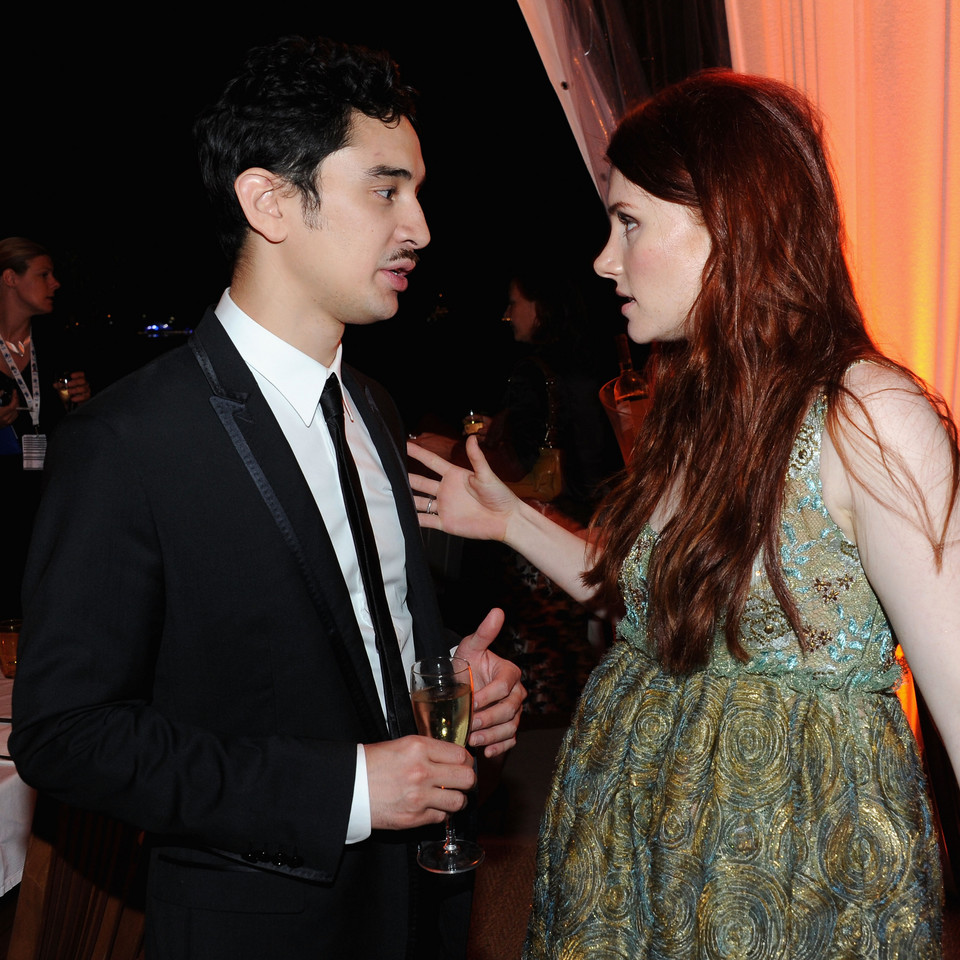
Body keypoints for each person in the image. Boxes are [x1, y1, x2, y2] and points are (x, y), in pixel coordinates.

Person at [409, 69, 960, 957]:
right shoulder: (692, 403)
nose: (602, 259)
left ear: (732, 226)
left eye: (629, 223)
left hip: (780, 878)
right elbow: (662, 607)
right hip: (635, 863)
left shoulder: (869, 416)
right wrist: (511, 518)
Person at [11, 36, 523, 960]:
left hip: (420, 909)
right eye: (385, 189)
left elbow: (365, 630)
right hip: (261, 927)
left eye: (417, 190)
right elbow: (68, 736)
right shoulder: (128, 442)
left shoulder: (372, 404)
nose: (420, 227)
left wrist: (452, 674)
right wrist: (349, 794)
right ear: (269, 200)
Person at [0, 237, 91, 617]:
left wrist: (85, 400)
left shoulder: (57, 343)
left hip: (48, 501)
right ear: (10, 279)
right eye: (43, 274)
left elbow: (77, 427)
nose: (55, 283)